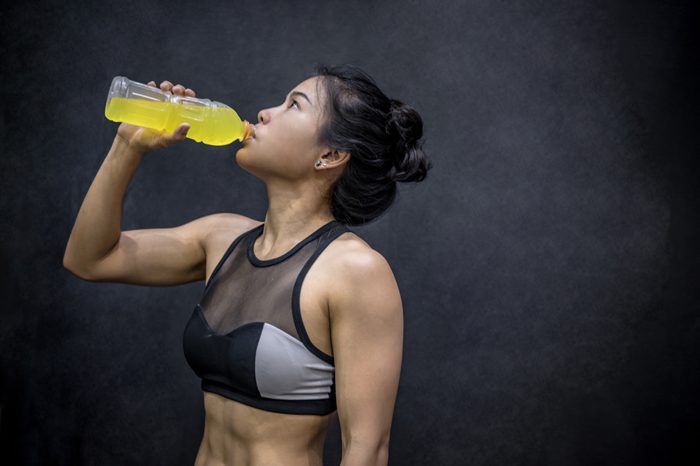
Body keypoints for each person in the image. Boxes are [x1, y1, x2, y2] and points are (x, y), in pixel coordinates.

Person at [63, 63, 431, 466]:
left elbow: (367, 449)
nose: (264, 113)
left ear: (330, 155)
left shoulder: (354, 270)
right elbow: (89, 259)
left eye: (293, 106)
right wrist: (127, 147)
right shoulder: (221, 238)